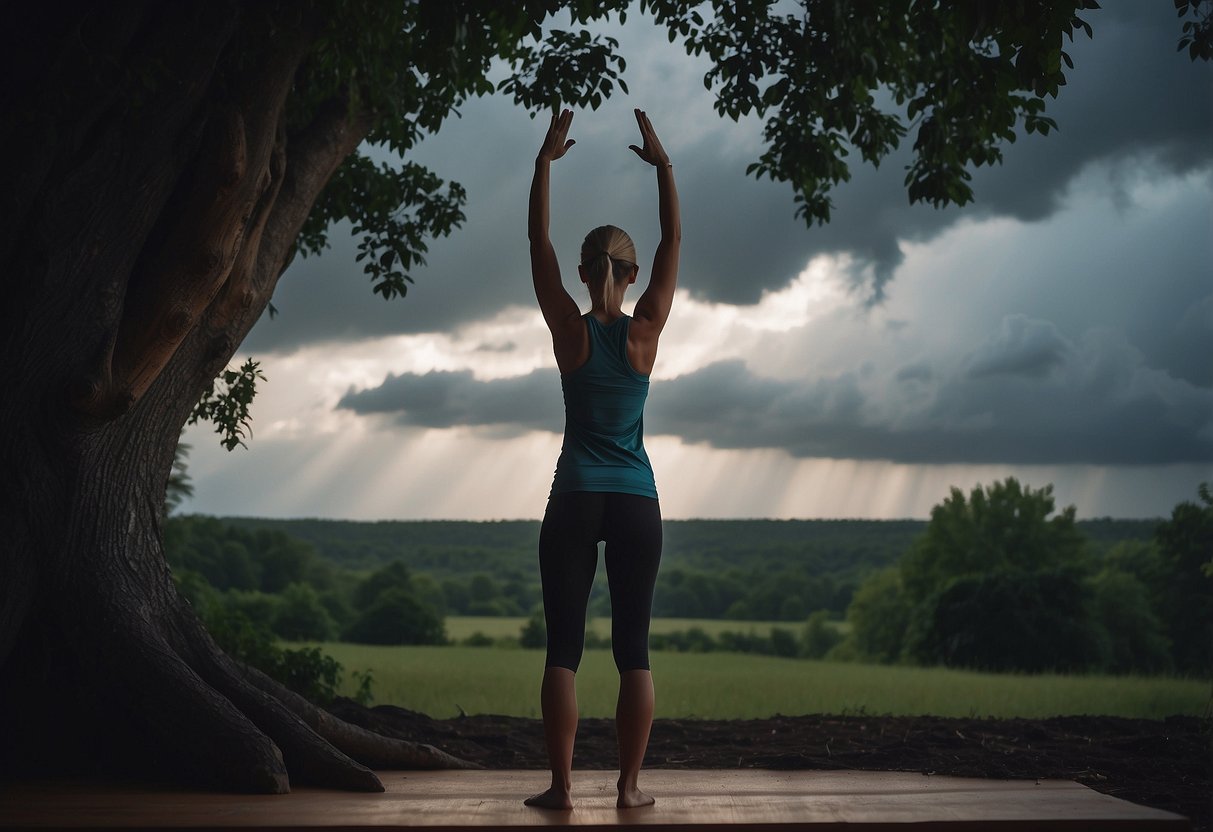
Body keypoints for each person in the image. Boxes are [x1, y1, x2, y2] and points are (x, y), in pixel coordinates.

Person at [523, 107, 680, 811]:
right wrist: (664, 168)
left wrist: (544, 162)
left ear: (585, 272)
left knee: (564, 646)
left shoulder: (567, 329)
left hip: (574, 496)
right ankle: (628, 788)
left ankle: (559, 789)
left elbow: (537, 240)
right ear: (632, 271)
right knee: (633, 649)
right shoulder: (645, 331)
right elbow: (675, 235)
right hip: (637, 500)